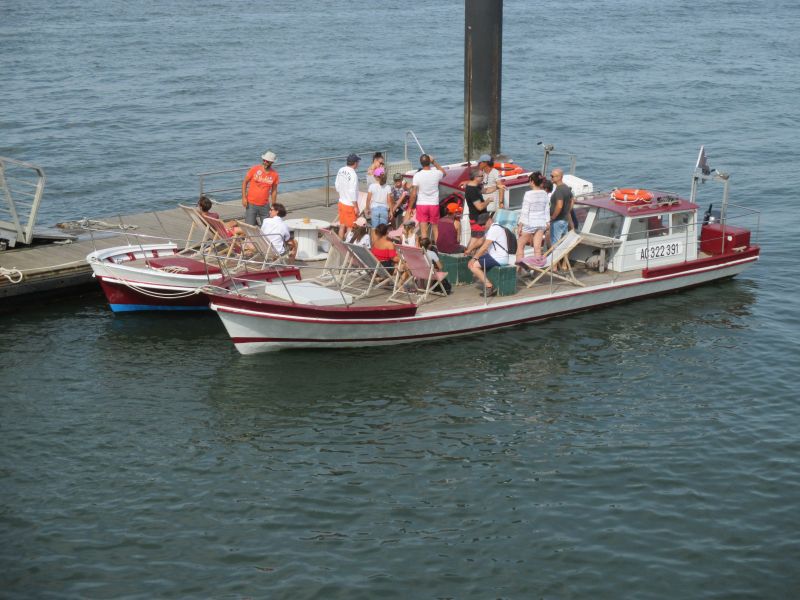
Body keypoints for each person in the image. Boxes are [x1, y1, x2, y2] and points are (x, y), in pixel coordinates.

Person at [468, 212, 511, 297]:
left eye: (483, 223)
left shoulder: (494, 229)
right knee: (474, 263)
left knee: (472, 265)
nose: (482, 226)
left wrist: (474, 258)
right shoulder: (492, 228)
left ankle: (489, 287)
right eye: (481, 224)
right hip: (495, 256)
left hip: (499, 258)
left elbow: (484, 246)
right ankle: (488, 283)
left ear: (490, 220)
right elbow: (481, 241)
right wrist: (469, 249)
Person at [408, 154, 445, 242]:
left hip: (421, 205)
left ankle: (425, 250)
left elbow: (413, 194)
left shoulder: (417, 175)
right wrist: (434, 162)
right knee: (435, 229)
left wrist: (410, 207)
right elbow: (444, 172)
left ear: (421, 163)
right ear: (429, 162)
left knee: (423, 231)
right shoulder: (436, 173)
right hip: (433, 204)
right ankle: (438, 249)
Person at [515, 171, 550, 266]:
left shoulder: (528, 194)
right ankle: (536, 270)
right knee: (537, 247)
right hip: (541, 222)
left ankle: (519, 269)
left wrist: (520, 225)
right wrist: (547, 222)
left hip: (529, 223)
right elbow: (546, 209)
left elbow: (525, 211)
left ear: (532, 181)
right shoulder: (544, 193)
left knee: (520, 246)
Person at [242, 151, 279, 226]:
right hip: (251, 204)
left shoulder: (275, 175)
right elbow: (244, 183)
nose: (265, 162)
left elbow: (274, 191)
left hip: (265, 205)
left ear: (272, 162)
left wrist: (274, 205)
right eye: (264, 160)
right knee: (249, 226)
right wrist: (244, 198)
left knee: (267, 226)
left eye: (267, 161)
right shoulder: (254, 169)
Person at [335, 153, 361, 239]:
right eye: (358, 161)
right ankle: (347, 248)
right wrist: (356, 207)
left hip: (341, 202)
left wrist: (342, 193)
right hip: (349, 205)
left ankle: (339, 246)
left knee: (342, 226)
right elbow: (352, 192)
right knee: (350, 228)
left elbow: (337, 186)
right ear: (355, 163)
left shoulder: (341, 170)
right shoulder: (353, 175)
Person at [549, 168, 574, 245]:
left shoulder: (559, 190)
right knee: (563, 244)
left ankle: (556, 257)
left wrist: (553, 217)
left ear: (559, 177)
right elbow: (572, 200)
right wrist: (568, 211)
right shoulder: (566, 187)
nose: (551, 178)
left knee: (555, 244)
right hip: (564, 220)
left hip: (557, 220)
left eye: (552, 176)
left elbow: (559, 206)